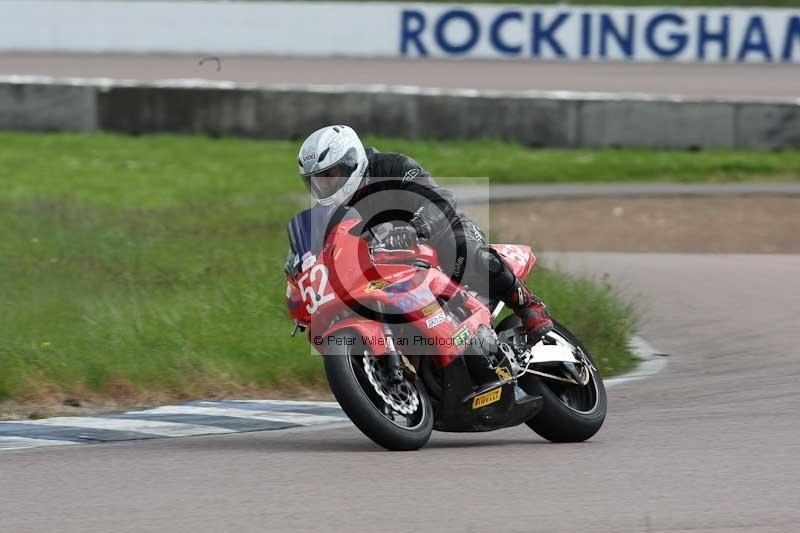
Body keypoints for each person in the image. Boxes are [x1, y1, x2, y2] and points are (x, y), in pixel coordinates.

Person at [290, 124, 553, 346]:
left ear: (352, 161)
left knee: (466, 253)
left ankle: (528, 306)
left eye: (330, 176)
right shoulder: (329, 212)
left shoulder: (393, 166)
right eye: (316, 181)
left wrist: (418, 226)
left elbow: (439, 199)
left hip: (438, 234)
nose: (324, 186)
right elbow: (322, 249)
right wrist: (299, 267)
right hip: (389, 269)